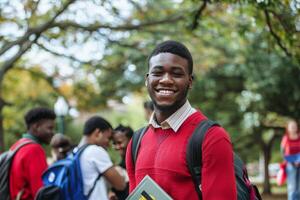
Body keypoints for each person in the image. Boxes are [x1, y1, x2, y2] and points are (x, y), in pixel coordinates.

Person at [126, 40, 237, 200]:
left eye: (176, 74)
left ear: (190, 81)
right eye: (158, 73)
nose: (166, 80)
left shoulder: (212, 138)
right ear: (147, 79)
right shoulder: (136, 142)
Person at [9, 107, 56, 200]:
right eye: (50, 128)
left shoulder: (18, 145)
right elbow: (41, 192)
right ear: (37, 127)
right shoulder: (34, 150)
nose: (52, 133)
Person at [78, 116, 126, 200]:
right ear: (97, 133)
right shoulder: (95, 151)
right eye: (108, 138)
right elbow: (120, 184)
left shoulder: (76, 152)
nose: (109, 144)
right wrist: (120, 171)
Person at [110, 124, 133, 200]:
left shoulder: (140, 162)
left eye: (119, 142)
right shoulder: (118, 168)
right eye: (114, 144)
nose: (117, 147)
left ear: (131, 140)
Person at [280, 119, 300, 200]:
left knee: (299, 188)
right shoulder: (286, 138)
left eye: (295, 126)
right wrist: (291, 161)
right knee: (292, 187)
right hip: (290, 165)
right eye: (291, 126)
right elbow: (282, 152)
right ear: (288, 128)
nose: (293, 128)